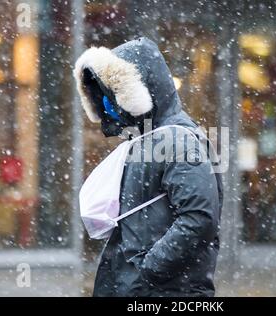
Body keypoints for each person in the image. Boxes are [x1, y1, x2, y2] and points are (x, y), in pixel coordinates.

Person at [74, 37, 222, 297]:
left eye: (113, 94)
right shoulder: (145, 141)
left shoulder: (177, 141)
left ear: (137, 92)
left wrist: (150, 269)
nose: (110, 106)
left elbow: (199, 218)